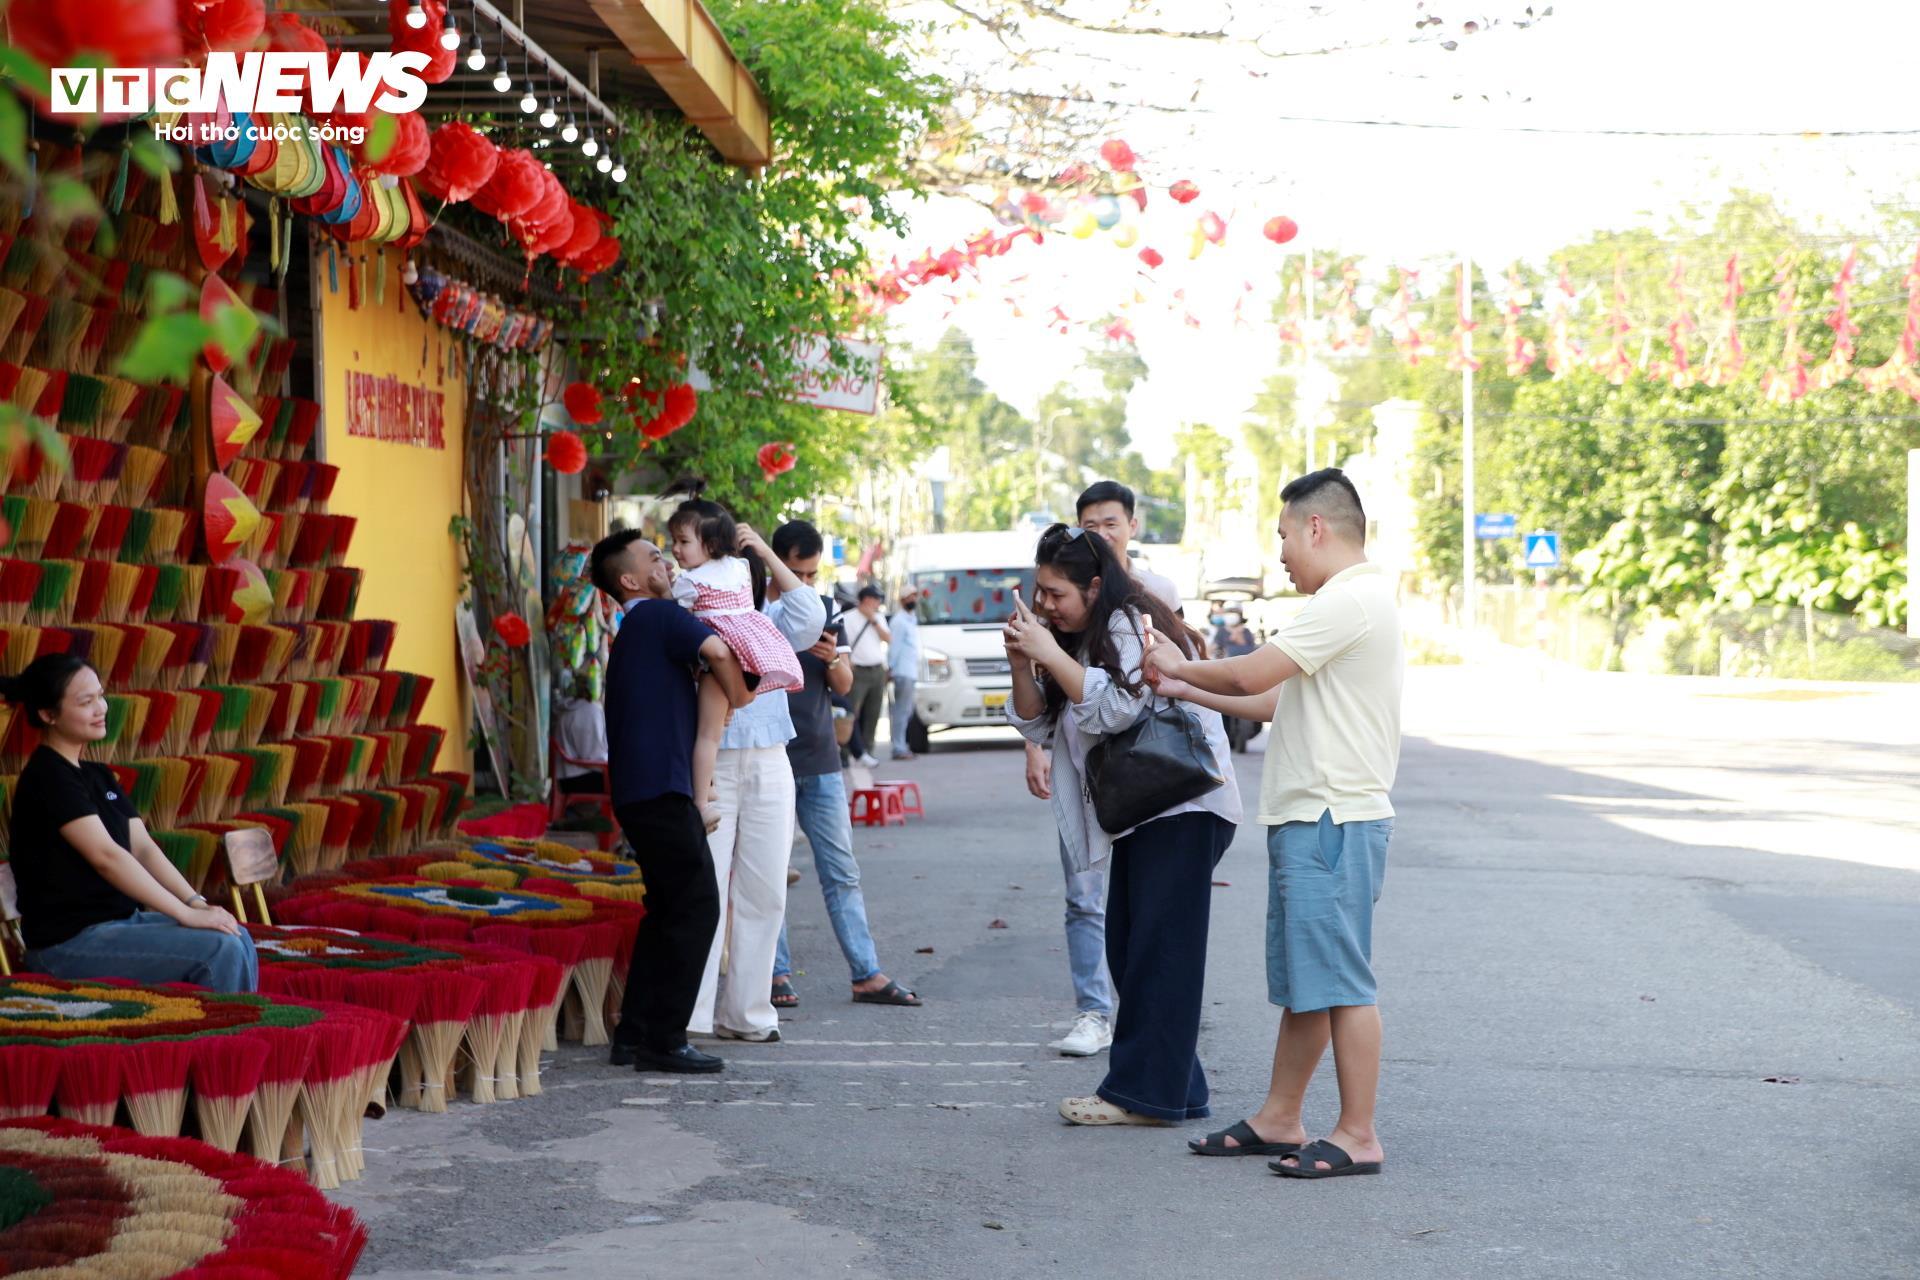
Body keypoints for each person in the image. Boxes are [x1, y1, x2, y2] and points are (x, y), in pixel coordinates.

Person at [1142, 469, 1403, 1178]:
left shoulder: (1349, 600)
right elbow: (1273, 701)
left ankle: (1359, 1134)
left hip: (1331, 818)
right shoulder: (1348, 603)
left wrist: (1179, 661)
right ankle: (1280, 1117)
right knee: (1309, 984)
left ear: (1316, 527)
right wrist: (1183, 684)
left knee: (1341, 982)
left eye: (1284, 535)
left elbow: (1251, 675)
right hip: (1315, 817)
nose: (1281, 553)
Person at [1004, 524, 1241, 1127]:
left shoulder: (1127, 624)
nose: (1045, 605)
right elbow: (1039, 725)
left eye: (1056, 593)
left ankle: (1138, 1094)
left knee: (1158, 951)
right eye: (1039, 592)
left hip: (1182, 806)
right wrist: (1022, 663)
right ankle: (1177, 1089)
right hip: (1143, 810)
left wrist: (1050, 653)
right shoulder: (1077, 636)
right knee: (1135, 948)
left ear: (1093, 586)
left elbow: (1114, 708)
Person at [1022, 478, 1184, 1056]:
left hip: (1154, 783)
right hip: (1090, 774)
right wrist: (1035, 742)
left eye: (1109, 523)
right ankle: (1097, 1012)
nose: (1100, 534)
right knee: (1089, 903)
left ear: (1131, 526)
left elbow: (1129, 702)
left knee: (1146, 923)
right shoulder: (1063, 604)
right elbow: (1048, 710)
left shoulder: (1141, 604)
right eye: (1088, 525)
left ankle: (1152, 1042)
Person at [2, 653, 258, 992]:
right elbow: (107, 857)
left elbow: (143, 847)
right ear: (48, 714)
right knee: (219, 949)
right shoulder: (47, 777)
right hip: (67, 944)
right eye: (86, 702)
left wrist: (195, 902)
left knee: (236, 935)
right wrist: (185, 915)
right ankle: (229, 1028)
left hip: (121, 924)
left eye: (100, 696)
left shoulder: (97, 775)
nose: (101, 708)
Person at [594, 529, 751, 1074]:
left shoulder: (635, 627)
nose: (665, 562)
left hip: (642, 790)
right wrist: (741, 694)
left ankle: (635, 1033)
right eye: (653, 557)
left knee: (666, 912)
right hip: (661, 789)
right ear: (630, 580)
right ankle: (663, 1040)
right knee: (698, 906)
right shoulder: (658, 616)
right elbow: (718, 649)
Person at [683, 503, 826, 1045]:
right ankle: (690, 1015)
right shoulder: (695, 611)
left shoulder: (766, 623)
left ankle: (747, 1013)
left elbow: (810, 613)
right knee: (706, 889)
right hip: (713, 763)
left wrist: (763, 547)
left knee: (765, 891)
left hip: (770, 758)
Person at [767, 520, 920, 1010]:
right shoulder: (755, 610)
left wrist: (833, 658)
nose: (804, 583)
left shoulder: (826, 608)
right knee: (770, 874)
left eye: (811, 574)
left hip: (819, 758)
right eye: (795, 572)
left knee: (842, 872)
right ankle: (775, 973)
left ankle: (866, 974)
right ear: (775, 564)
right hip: (767, 758)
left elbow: (845, 685)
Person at [667, 502, 805, 833]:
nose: (675, 549)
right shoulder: (741, 567)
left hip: (719, 661)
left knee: (707, 735)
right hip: (753, 654)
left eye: (683, 541)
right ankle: (710, 785)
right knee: (718, 724)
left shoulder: (689, 582)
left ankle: (701, 803)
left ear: (711, 544)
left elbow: (677, 622)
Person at [843, 586, 890, 768]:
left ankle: (868, 750)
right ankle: (845, 752)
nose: (878, 603)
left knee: (873, 712)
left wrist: (873, 620)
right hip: (857, 671)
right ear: (867, 599)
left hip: (877, 670)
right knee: (851, 713)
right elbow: (842, 642)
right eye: (876, 599)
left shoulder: (878, 617)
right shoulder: (848, 618)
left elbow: (888, 638)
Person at [554, 674, 608, 795]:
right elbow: (593, 756)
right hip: (580, 778)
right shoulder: (590, 711)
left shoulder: (569, 707)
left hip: (566, 777)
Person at [886, 584, 922, 761]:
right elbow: (894, 647)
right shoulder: (899, 621)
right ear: (902, 600)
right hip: (902, 671)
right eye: (909, 596)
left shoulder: (911, 619)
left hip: (911, 670)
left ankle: (902, 745)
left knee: (906, 711)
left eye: (915, 596)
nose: (913, 599)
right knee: (901, 711)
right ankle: (898, 748)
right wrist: (890, 668)